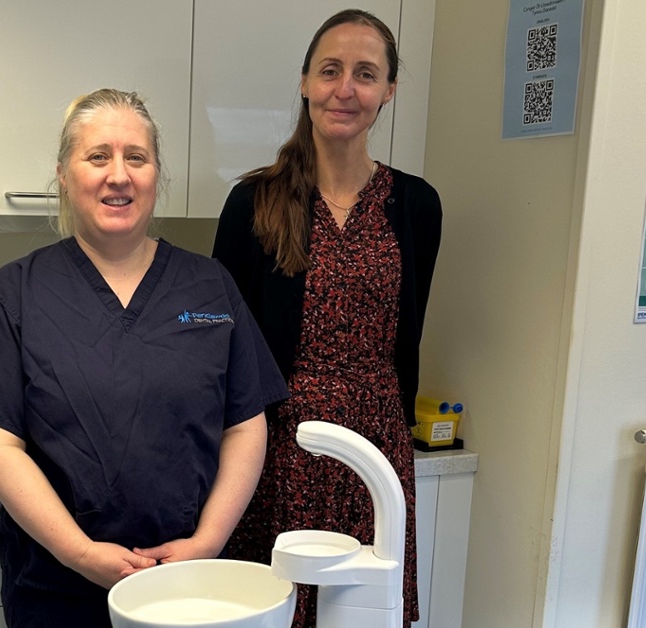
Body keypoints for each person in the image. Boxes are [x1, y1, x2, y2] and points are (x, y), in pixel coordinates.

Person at [0, 88, 289, 627]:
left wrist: (207, 540)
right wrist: (80, 553)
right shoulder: (15, 295)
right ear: (64, 173)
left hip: (187, 582)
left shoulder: (209, 287)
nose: (119, 175)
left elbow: (245, 424)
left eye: (137, 157)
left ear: (156, 174)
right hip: (57, 585)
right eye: (98, 156)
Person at [212, 9, 442, 628]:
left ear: (388, 90)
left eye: (366, 74)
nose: (346, 89)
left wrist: (400, 445)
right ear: (305, 82)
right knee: (278, 608)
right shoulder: (254, 201)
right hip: (281, 439)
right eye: (331, 71)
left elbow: (408, 337)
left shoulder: (416, 205)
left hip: (378, 445)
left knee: (365, 610)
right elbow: (220, 348)